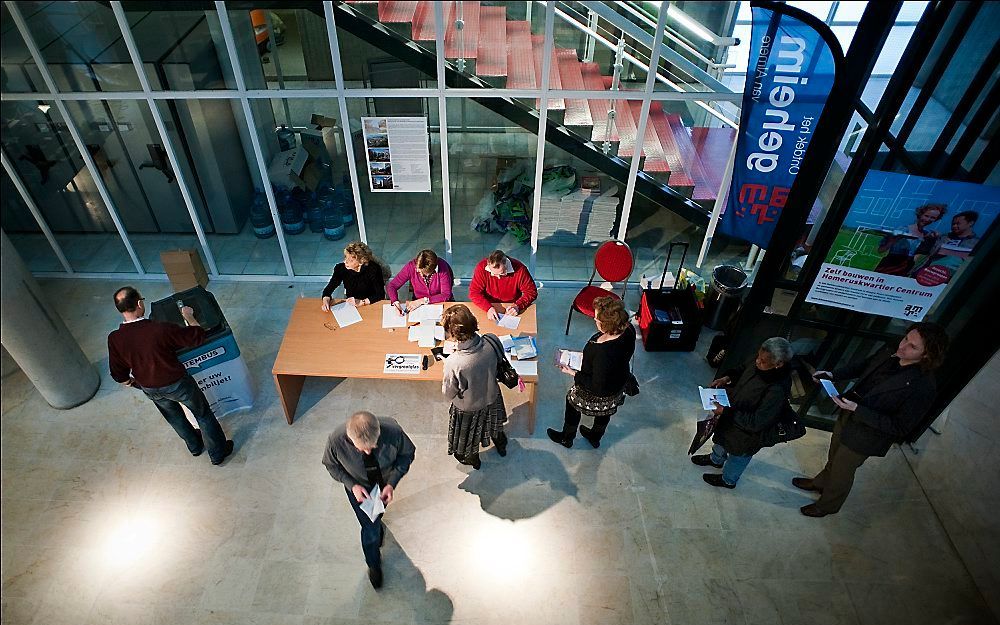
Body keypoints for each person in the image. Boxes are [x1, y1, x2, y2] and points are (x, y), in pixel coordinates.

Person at [794, 322, 949, 517]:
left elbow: (900, 426)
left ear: (926, 355)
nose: (903, 346)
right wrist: (833, 375)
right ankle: (821, 482)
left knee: (843, 469)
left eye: (912, 346)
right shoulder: (892, 349)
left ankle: (828, 505)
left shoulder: (923, 387)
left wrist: (859, 410)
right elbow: (865, 366)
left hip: (867, 434)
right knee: (834, 454)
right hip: (848, 413)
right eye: (906, 338)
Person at [107, 286, 234, 465]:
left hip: (150, 388)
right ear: (139, 303)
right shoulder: (159, 329)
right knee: (202, 414)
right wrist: (188, 315)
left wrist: (132, 382)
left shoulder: (115, 338)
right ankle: (218, 453)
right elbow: (197, 336)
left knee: (175, 418)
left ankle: (195, 446)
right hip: (177, 383)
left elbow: (118, 374)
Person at [322, 411, 416, 589]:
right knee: (370, 528)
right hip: (359, 490)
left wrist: (392, 483)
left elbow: (407, 455)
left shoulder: (394, 432)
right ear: (350, 439)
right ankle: (373, 563)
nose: (367, 451)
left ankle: (377, 522)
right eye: (360, 449)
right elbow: (331, 465)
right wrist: (352, 485)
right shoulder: (335, 440)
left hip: (383, 484)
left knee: (376, 516)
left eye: (372, 447)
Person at [692, 337, 794, 489]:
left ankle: (728, 480)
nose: (758, 362)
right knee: (721, 438)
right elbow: (744, 368)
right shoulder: (762, 358)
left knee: (738, 456)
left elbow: (757, 422)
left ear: (778, 364)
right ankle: (716, 459)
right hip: (733, 410)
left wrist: (726, 412)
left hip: (747, 432)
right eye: (758, 356)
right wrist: (727, 377)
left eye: (763, 361)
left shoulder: (777, 389)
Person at [547, 296, 635, 449]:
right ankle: (595, 436)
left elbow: (597, 386)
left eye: (596, 319)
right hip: (618, 383)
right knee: (605, 413)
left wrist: (573, 373)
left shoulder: (602, 350)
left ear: (605, 324)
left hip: (600, 390)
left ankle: (566, 438)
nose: (594, 321)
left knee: (572, 402)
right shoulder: (629, 330)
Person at [440, 305, 508, 469]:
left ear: (453, 333)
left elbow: (448, 393)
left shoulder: (454, 362)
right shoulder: (492, 339)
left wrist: (448, 365)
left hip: (469, 407)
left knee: (468, 439)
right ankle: (500, 443)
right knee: (495, 424)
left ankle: (473, 459)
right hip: (492, 396)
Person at [874, 203, 946, 276]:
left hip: (907, 267)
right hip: (890, 265)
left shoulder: (928, 234)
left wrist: (932, 241)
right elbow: (880, 250)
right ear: (920, 214)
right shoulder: (903, 229)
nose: (928, 219)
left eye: (933, 218)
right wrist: (893, 240)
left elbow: (923, 255)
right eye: (926, 216)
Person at [468, 250, 537, 322]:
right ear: (488, 265)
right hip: (488, 304)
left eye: (502, 273)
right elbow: (474, 292)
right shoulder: (481, 268)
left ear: (506, 263)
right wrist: (488, 308)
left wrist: (518, 306)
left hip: (511, 305)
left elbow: (531, 292)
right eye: (493, 273)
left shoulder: (520, 269)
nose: (498, 277)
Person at [321, 241, 388, 311]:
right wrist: (326, 299)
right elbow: (329, 288)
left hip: (371, 302)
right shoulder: (340, 269)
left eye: (351, 260)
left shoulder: (373, 269)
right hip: (351, 304)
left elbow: (380, 294)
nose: (345, 262)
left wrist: (362, 302)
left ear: (361, 262)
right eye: (346, 257)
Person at [386, 249, 454, 313]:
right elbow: (392, 286)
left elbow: (446, 294)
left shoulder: (442, 267)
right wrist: (395, 302)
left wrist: (423, 301)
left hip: (440, 302)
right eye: (417, 268)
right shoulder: (411, 266)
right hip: (418, 304)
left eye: (421, 271)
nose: (417, 271)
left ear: (433, 270)